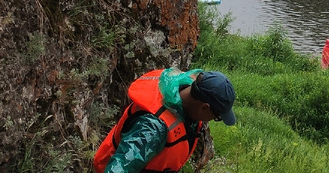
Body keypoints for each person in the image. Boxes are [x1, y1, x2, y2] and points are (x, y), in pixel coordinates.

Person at [94, 68, 237, 173]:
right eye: (217, 117)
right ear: (204, 108)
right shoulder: (152, 129)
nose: (213, 120)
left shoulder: (186, 93)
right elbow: (118, 169)